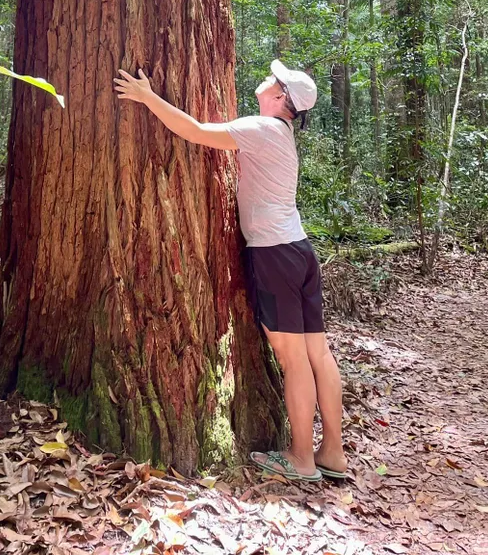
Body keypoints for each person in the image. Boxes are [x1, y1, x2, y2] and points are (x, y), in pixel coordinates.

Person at [113, 59, 347, 483]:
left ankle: (301, 458)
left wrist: (147, 98)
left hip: (276, 255)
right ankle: (333, 451)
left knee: (293, 361)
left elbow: (197, 132)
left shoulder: (264, 128)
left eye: (274, 81)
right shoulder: (281, 133)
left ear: (279, 98)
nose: (267, 80)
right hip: (299, 251)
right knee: (317, 355)